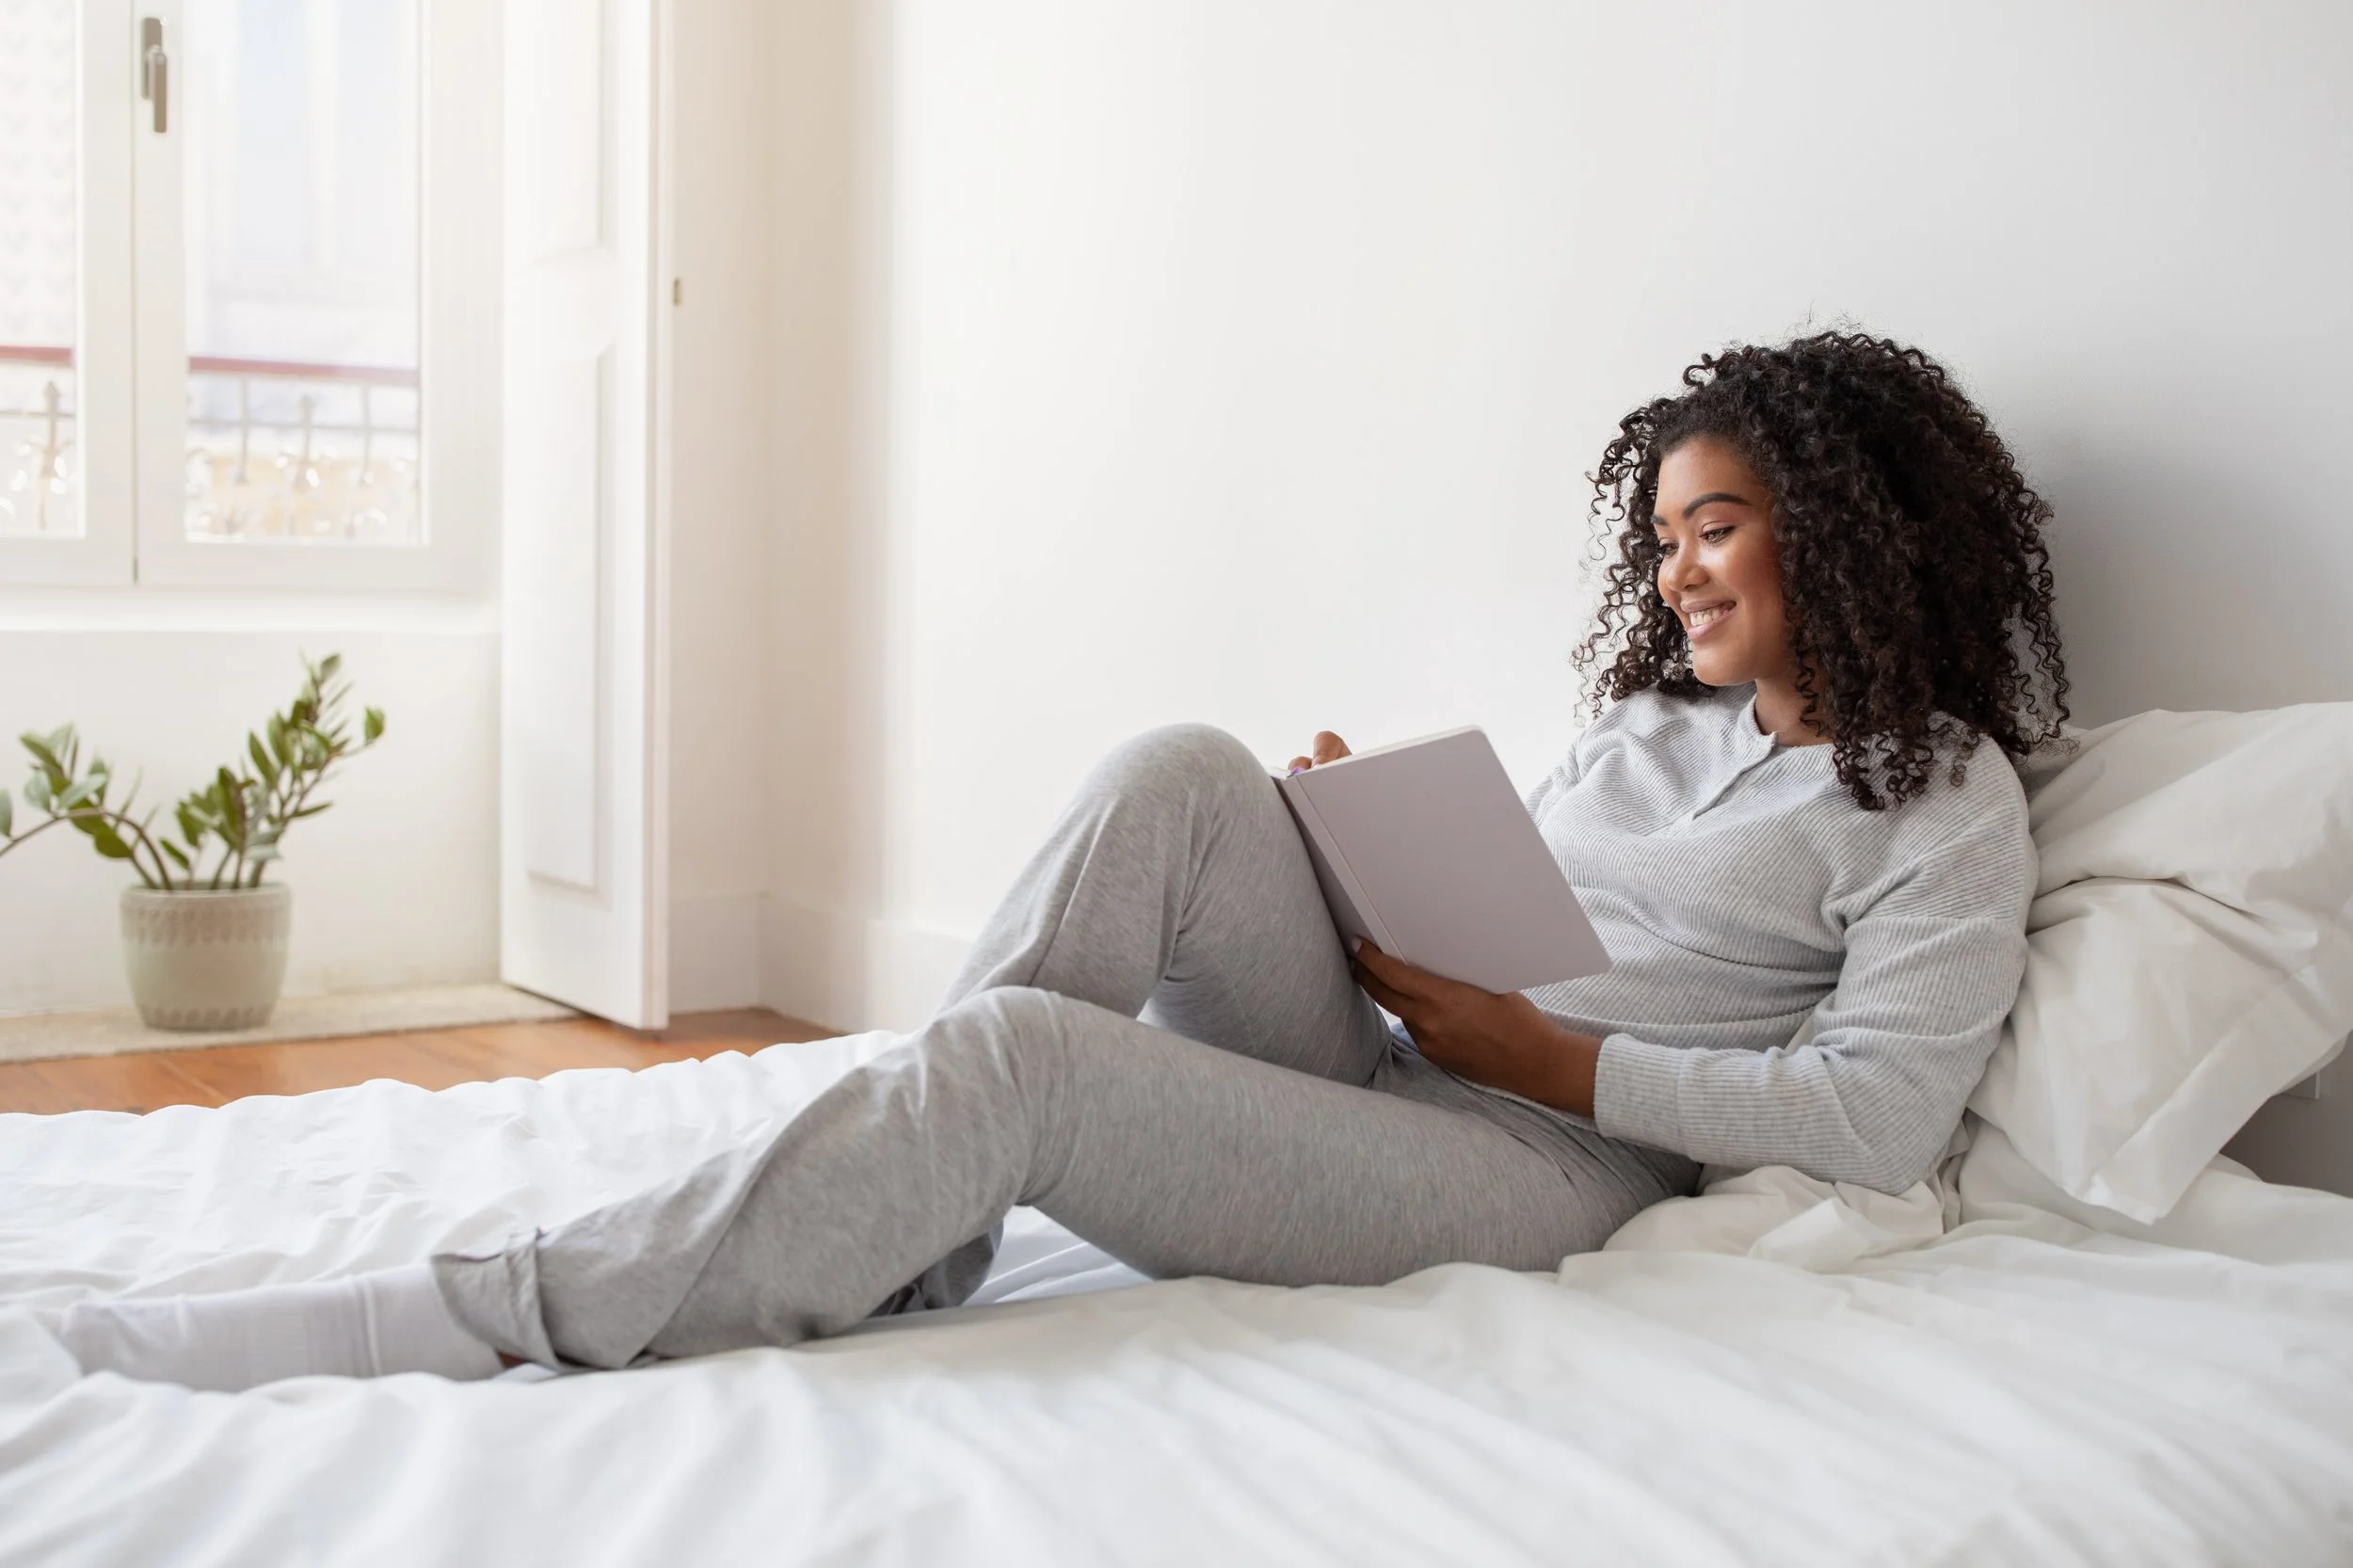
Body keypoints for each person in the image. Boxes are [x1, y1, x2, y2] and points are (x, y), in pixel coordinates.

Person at [60, 331, 2069, 1390]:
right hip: (1416, 1050)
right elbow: (1519, 928)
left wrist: (1542, 1059)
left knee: (1015, 1070)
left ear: (1840, 522)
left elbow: (1881, 1117)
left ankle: (475, 1310)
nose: (1675, 570)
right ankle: (900, 1223)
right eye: (1659, 538)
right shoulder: (1655, 723)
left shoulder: (1937, 803)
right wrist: (1375, 869)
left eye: (1712, 525)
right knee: (1187, 769)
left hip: (1544, 1157)